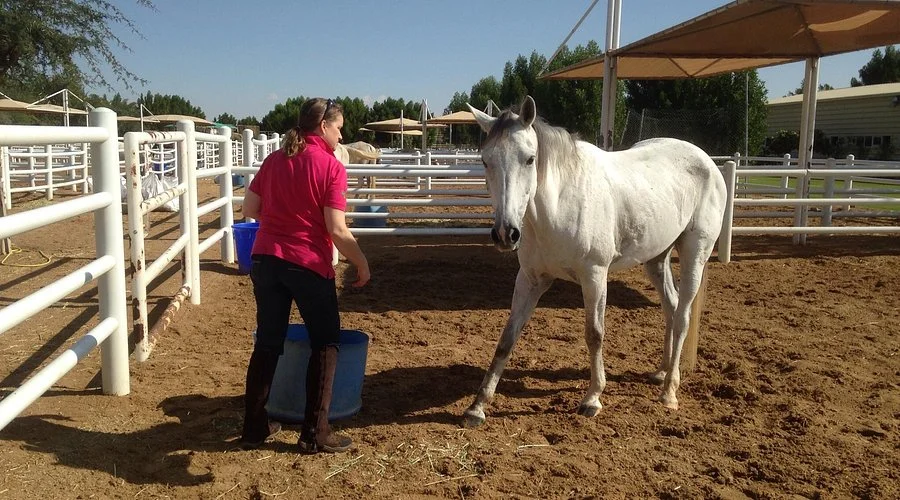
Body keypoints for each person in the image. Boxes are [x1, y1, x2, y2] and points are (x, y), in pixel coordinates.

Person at [239, 97, 370, 453]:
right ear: (323, 127)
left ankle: (253, 427)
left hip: (265, 259)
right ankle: (315, 432)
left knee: (267, 342)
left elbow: (248, 208)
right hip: (307, 263)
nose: (341, 137)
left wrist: (283, 219)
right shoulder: (330, 167)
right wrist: (361, 262)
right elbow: (337, 230)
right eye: (339, 128)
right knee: (326, 343)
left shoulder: (275, 160)